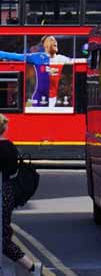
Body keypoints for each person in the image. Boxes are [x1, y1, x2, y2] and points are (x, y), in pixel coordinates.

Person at [0, 114, 43, 275]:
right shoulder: (10, 146)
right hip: (8, 192)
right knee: (3, 234)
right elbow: (12, 169)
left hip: (1, 193)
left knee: (2, 237)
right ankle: (32, 267)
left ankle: (32, 267)